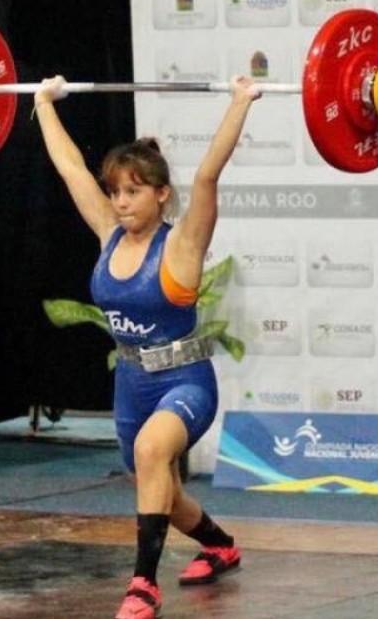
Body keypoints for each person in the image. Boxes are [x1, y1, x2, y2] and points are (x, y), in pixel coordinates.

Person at [33, 74, 261, 619]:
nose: (120, 201)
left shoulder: (180, 244)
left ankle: (142, 587)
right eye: (114, 191)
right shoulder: (109, 233)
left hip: (184, 381)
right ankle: (221, 546)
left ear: (160, 194)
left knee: (151, 453)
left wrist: (240, 102)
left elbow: (207, 174)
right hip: (131, 386)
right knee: (166, 495)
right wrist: (43, 102)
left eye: (132, 191)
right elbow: (69, 168)